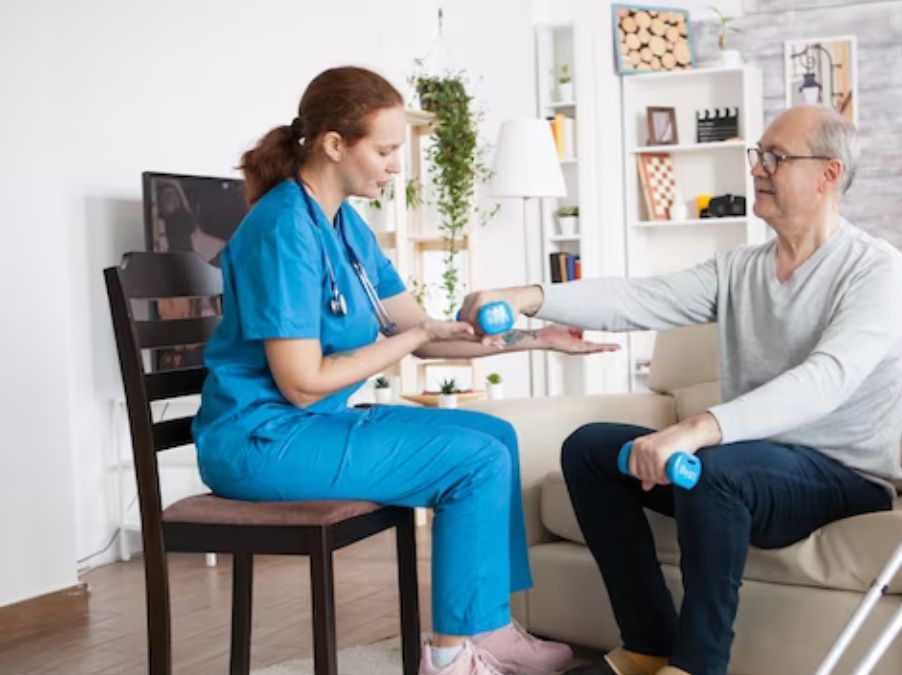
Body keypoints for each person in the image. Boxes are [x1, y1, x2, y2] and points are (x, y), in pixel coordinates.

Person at [459, 105, 902, 675]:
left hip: (841, 475)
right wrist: (530, 296)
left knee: (713, 467)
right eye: (758, 155)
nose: (758, 169)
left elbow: (826, 380)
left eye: (776, 157)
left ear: (828, 175)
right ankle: (648, 647)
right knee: (591, 450)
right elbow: (637, 298)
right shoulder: (740, 270)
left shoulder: (876, 272)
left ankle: (699, 665)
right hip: (751, 465)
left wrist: (697, 429)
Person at [192, 66, 618, 675]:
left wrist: (533, 338)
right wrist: (415, 335)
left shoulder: (344, 226)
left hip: (308, 427)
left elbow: (423, 336)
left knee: (494, 434)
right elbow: (302, 379)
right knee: (473, 461)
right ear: (335, 145)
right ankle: (449, 659)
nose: (397, 167)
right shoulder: (282, 227)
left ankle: (488, 630)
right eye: (386, 150)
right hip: (261, 441)